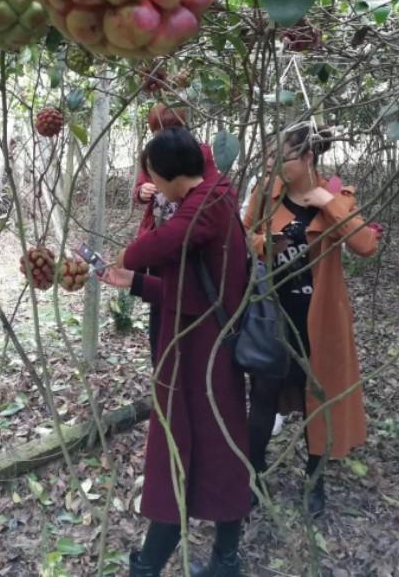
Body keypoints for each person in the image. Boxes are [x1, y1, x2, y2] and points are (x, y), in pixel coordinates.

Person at [103, 128, 249, 577]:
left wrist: (128, 261)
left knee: (186, 447)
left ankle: (152, 565)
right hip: (198, 338)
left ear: (168, 177)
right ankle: (219, 558)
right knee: (215, 446)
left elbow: (154, 246)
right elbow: (190, 287)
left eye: (154, 180)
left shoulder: (206, 202)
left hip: (200, 352)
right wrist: (136, 283)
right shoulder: (213, 190)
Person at [243, 124, 380, 516]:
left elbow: (366, 244)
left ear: (306, 158)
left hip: (319, 321)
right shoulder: (265, 196)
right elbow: (247, 232)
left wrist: (326, 202)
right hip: (272, 313)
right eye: (267, 159)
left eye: (279, 159)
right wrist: (266, 243)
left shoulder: (338, 197)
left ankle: (314, 481)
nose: (271, 167)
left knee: (318, 401)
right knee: (264, 395)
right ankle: (254, 475)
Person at [133, 104, 217, 364]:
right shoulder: (153, 153)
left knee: (187, 295)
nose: (163, 135)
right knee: (160, 305)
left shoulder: (198, 152)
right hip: (160, 241)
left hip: (187, 239)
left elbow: (209, 189)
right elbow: (140, 185)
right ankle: (161, 362)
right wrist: (143, 191)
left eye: (170, 129)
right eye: (158, 131)